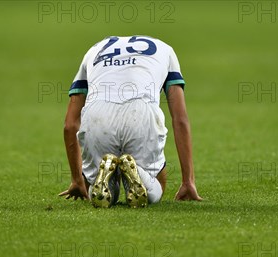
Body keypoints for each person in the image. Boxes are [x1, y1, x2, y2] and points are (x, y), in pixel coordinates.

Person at [59, 35, 202, 208]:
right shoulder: (165, 49)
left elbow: (70, 125)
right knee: (158, 184)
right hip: (140, 112)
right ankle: (139, 174)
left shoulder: (95, 49)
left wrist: (77, 180)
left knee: (94, 186)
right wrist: (188, 181)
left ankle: (107, 178)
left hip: (97, 114)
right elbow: (180, 119)